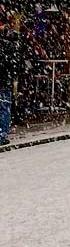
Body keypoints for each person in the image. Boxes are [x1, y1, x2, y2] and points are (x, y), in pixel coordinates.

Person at [0, 9, 20, 145]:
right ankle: (2, 134)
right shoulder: (11, 46)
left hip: (4, 79)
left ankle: (2, 134)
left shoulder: (5, 46)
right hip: (5, 80)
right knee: (4, 108)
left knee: (4, 107)